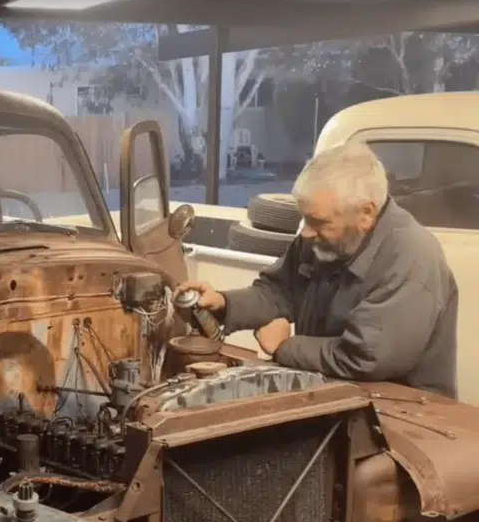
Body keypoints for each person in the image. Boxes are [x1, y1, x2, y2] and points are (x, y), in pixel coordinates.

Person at [180, 142, 458, 398]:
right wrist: (225, 303)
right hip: (333, 391)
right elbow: (279, 291)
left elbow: (365, 358)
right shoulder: (322, 239)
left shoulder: (412, 256)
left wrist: (283, 347)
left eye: (318, 222)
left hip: (408, 413)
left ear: (366, 213)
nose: (306, 233)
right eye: (304, 219)